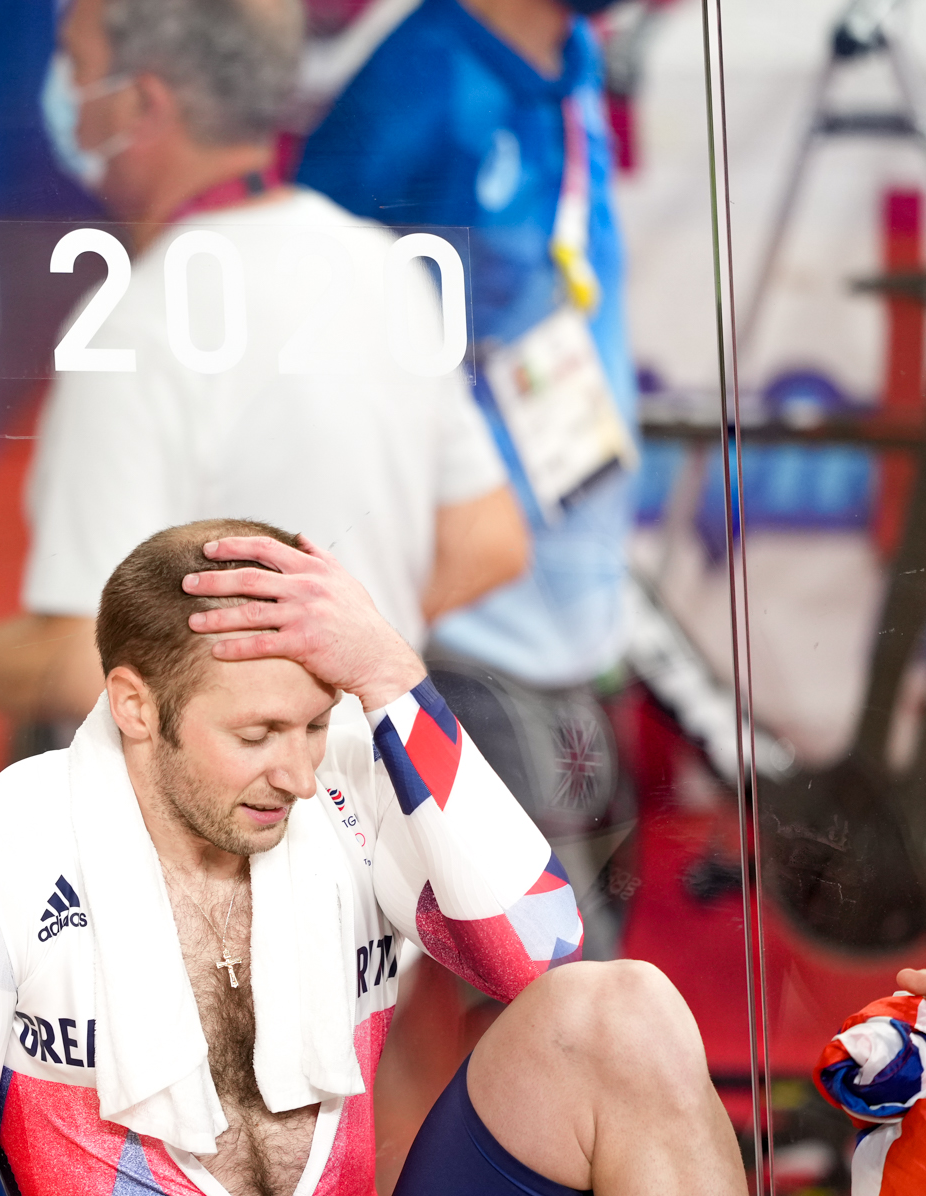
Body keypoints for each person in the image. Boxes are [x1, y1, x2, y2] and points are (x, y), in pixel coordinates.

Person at [0, 518, 753, 1196]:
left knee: (622, 1012)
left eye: (314, 724)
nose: (300, 772)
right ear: (133, 705)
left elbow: (543, 957)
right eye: (255, 736)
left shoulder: (349, 777)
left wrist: (393, 678)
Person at [0, 0, 528, 736]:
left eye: (75, 63)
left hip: (228, 826)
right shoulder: (378, 264)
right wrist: (325, 658)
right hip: (373, 785)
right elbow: (488, 538)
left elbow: (83, 665)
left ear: (142, 103)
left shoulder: (135, 327)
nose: (59, 89)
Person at [296, 0, 641, 918]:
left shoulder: (569, 59)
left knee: (487, 981)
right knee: (559, 994)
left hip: (575, 616)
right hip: (475, 638)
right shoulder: (422, 87)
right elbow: (306, 317)